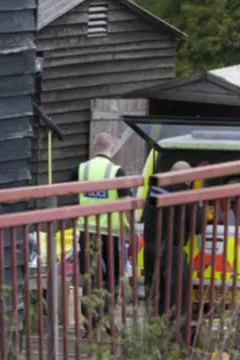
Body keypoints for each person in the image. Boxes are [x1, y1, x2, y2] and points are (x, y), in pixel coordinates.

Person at [70, 132, 133, 335]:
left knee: (88, 274)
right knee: (112, 276)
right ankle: (107, 316)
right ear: (111, 150)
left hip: (86, 231)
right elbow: (127, 201)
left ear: (93, 148)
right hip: (110, 234)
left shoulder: (80, 169)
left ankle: (89, 318)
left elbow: (68, 195)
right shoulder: (117, 171)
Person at [142, 161, 204, 342]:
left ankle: (155, 342)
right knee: (179, 302)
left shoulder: (153, 190)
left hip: (151, 251)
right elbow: (197, 227)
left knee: (156, 299)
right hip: (172, 253)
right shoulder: (189, 195)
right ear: (189, 178)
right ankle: (178, 344)